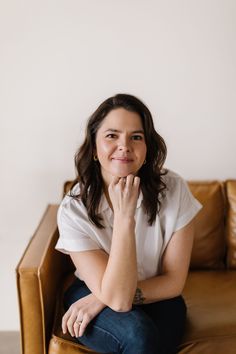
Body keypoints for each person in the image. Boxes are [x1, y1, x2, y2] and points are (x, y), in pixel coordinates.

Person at [55, 93, 202, 354]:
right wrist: (124, 218)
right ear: (94, 148)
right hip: (90, 286)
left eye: (136, 137)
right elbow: (120, 303)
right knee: (140, 337)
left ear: (147, 149)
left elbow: (173, 282)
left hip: (158, 295)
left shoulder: (175, 189)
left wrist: (102, 298)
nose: (124, 146)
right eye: (112, 136)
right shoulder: (73, 208)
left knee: (157, 340)